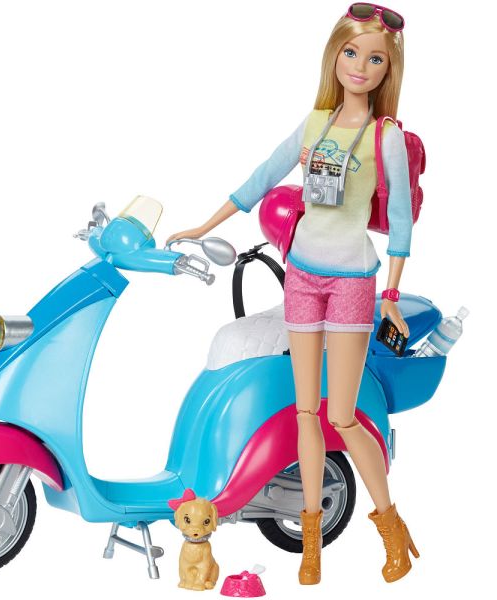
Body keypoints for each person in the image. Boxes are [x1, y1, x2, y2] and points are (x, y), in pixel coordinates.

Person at [166, 3, 418, 585]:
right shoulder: (315, 123)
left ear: (388, 70)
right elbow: (261, 177)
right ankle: (310, 544)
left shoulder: (386, 138)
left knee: (343, 416)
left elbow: (402, 222)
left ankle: (391, 526)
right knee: (305, 412)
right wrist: (205, 225)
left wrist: (391, 294)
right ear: (334, 55)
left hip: (353, 280)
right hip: (302, 274)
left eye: (375, 59)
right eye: (351, 53)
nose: (360, 67)